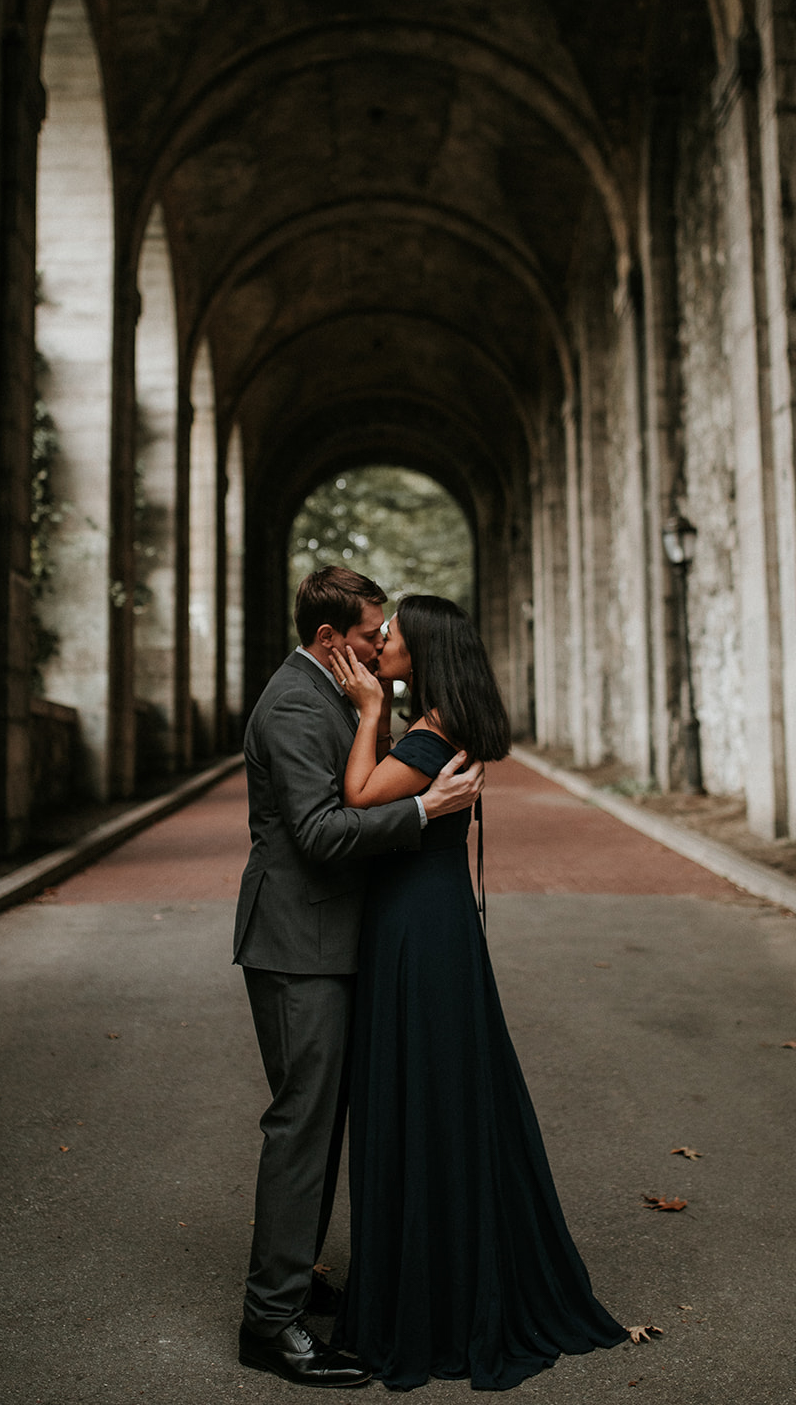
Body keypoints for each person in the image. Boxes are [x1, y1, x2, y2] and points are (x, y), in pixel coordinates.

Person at [329, 595, 629, 1392]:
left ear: (421, 651)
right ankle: (448, 1272)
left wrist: (369, 710)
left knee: (422, 1095)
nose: (379, 641)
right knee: (443, 1093)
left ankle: (435, 1296)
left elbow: (358, 798)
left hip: (417, 930)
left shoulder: (429, 734)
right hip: (435, 922)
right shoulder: (442, 725)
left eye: (390, 635)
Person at [233, 568, 485, 1389]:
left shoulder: (328, 692)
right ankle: (269, 1323)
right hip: (298, 943)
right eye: (375, 634)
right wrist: (422, 813)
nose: (384, 647)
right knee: (302, 1126)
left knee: (319, 1123)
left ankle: (294, 1272)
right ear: (331, 640)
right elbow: (316, 832)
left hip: (327, 940)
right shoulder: (295, 704)